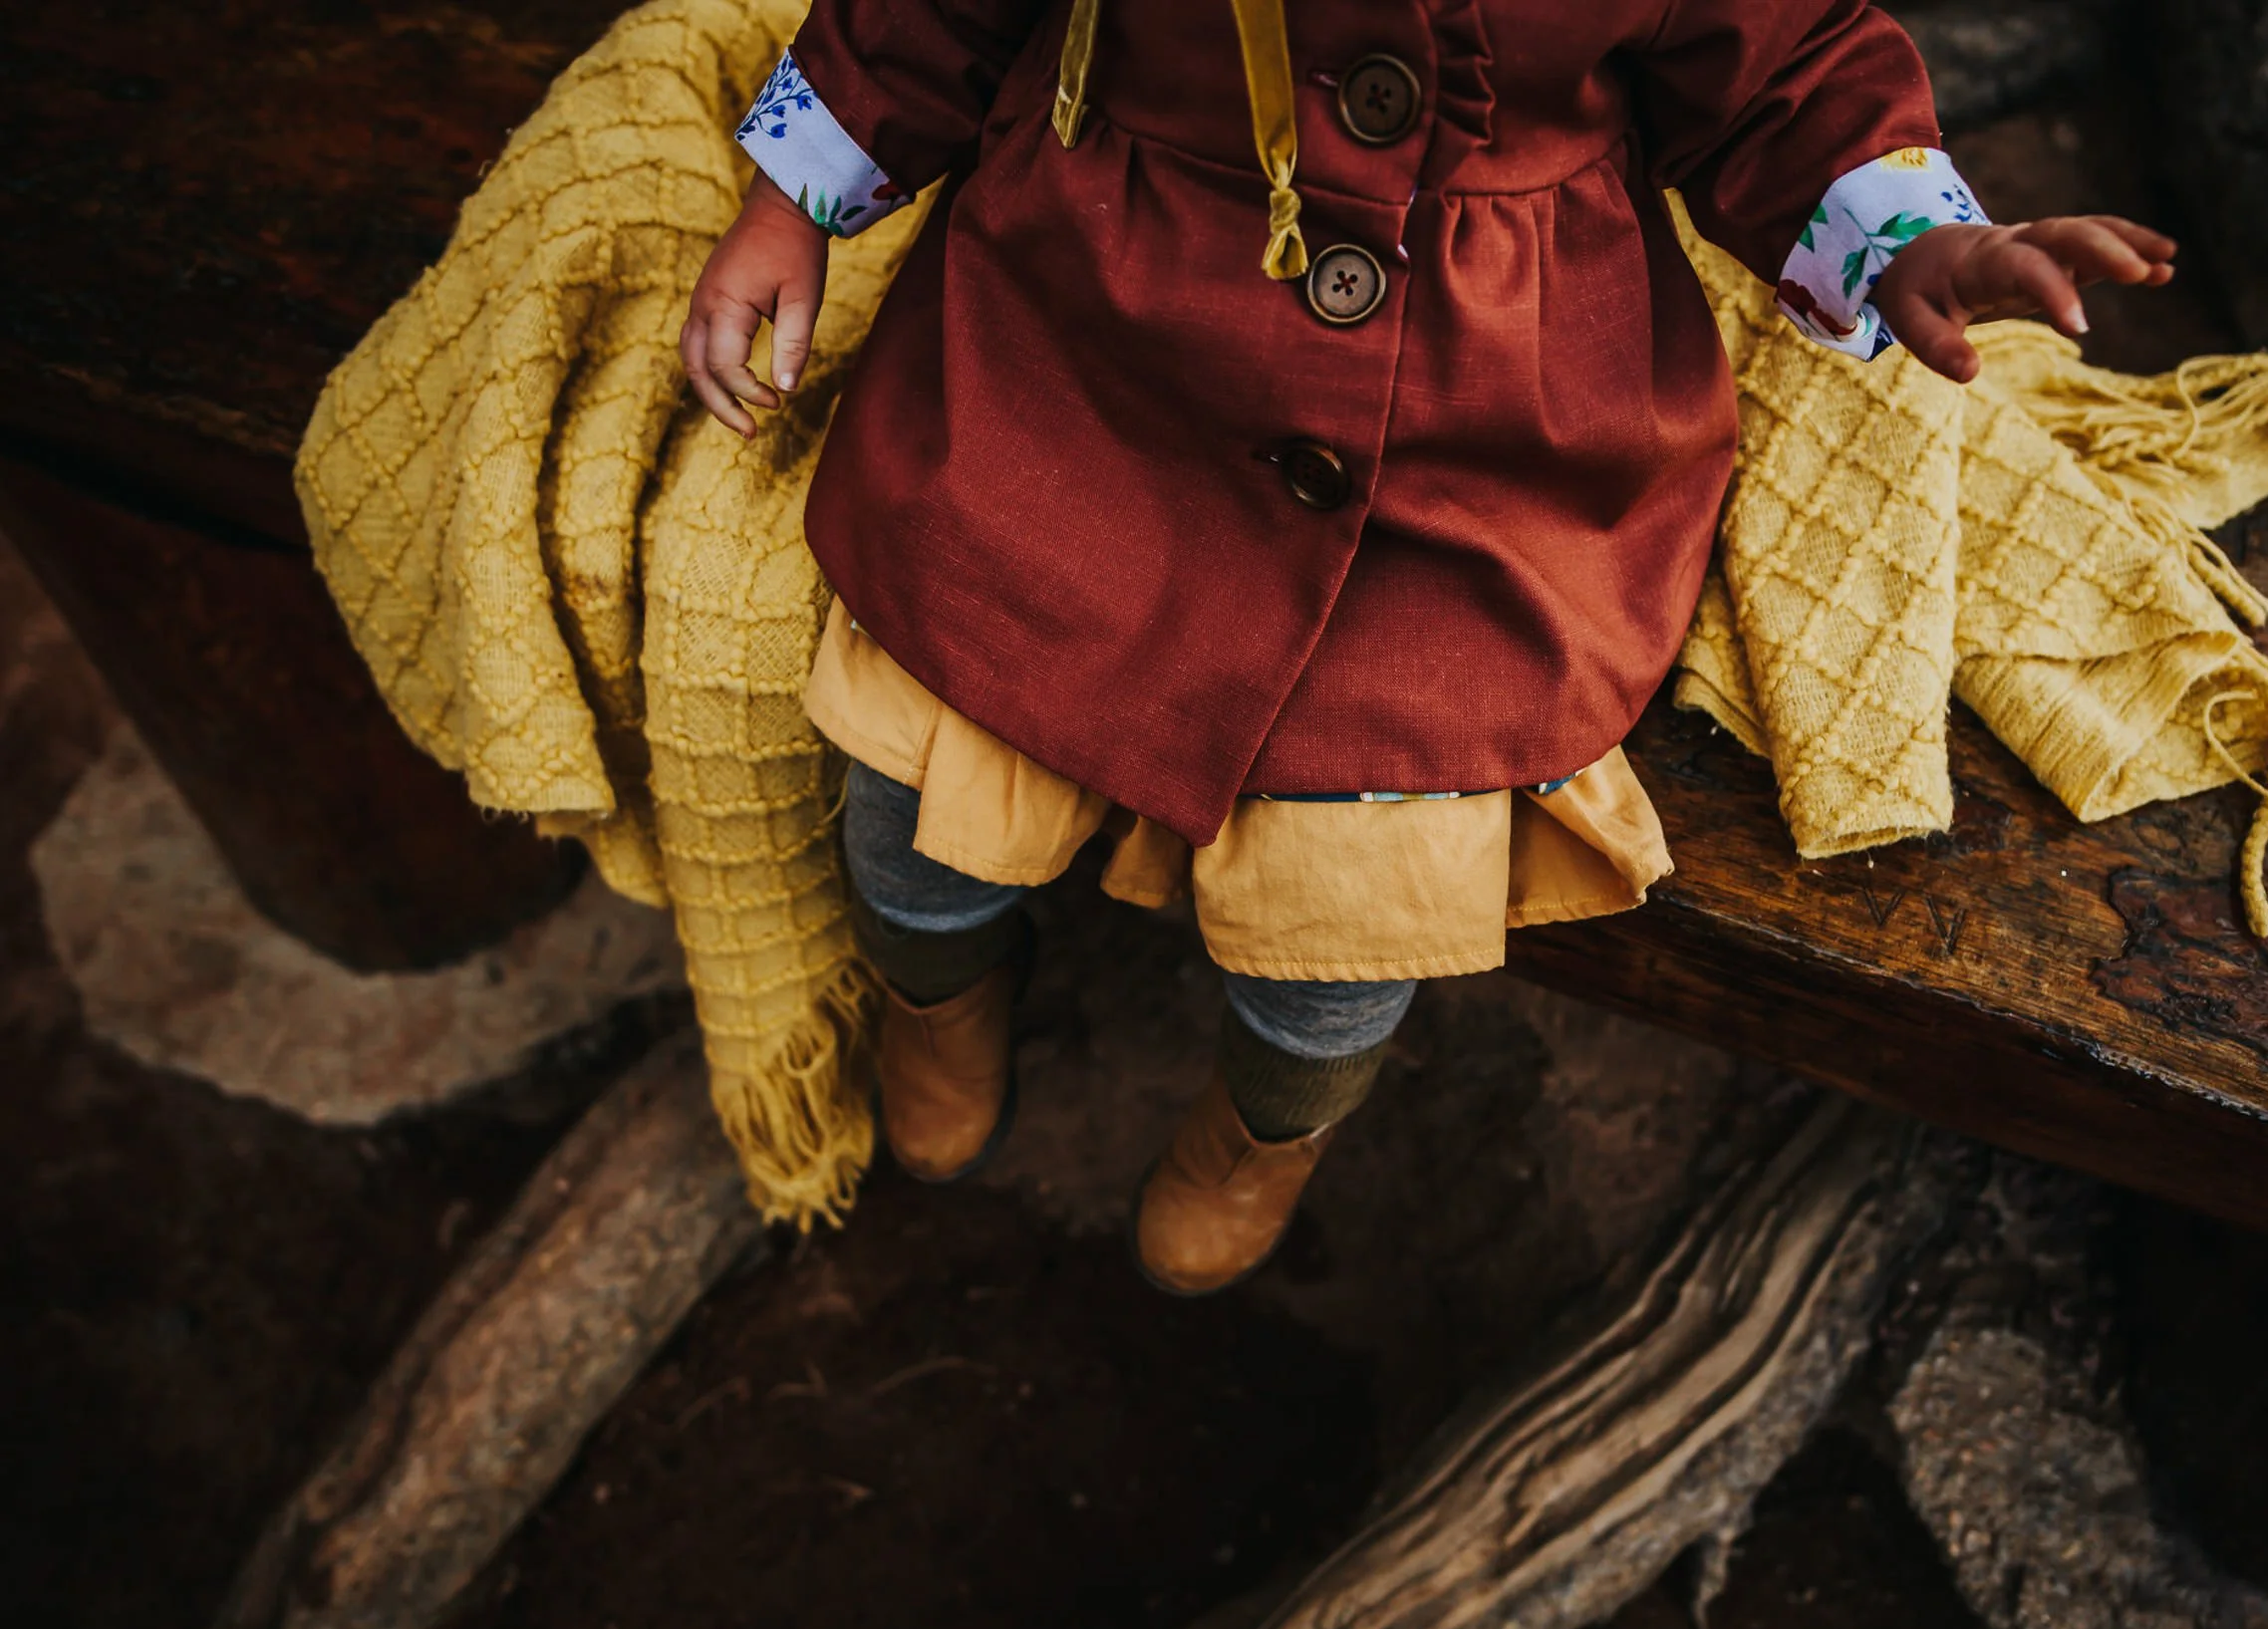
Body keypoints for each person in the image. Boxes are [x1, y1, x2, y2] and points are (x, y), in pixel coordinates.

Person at [678, 0, 2176, 1294]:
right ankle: (933, 999)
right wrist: (790, 199)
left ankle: (1266, 1134)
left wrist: (1913, 237)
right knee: (921, 745)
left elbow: (1785, 65)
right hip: (1094, 323)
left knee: (1363, 883)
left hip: (1480, 416)